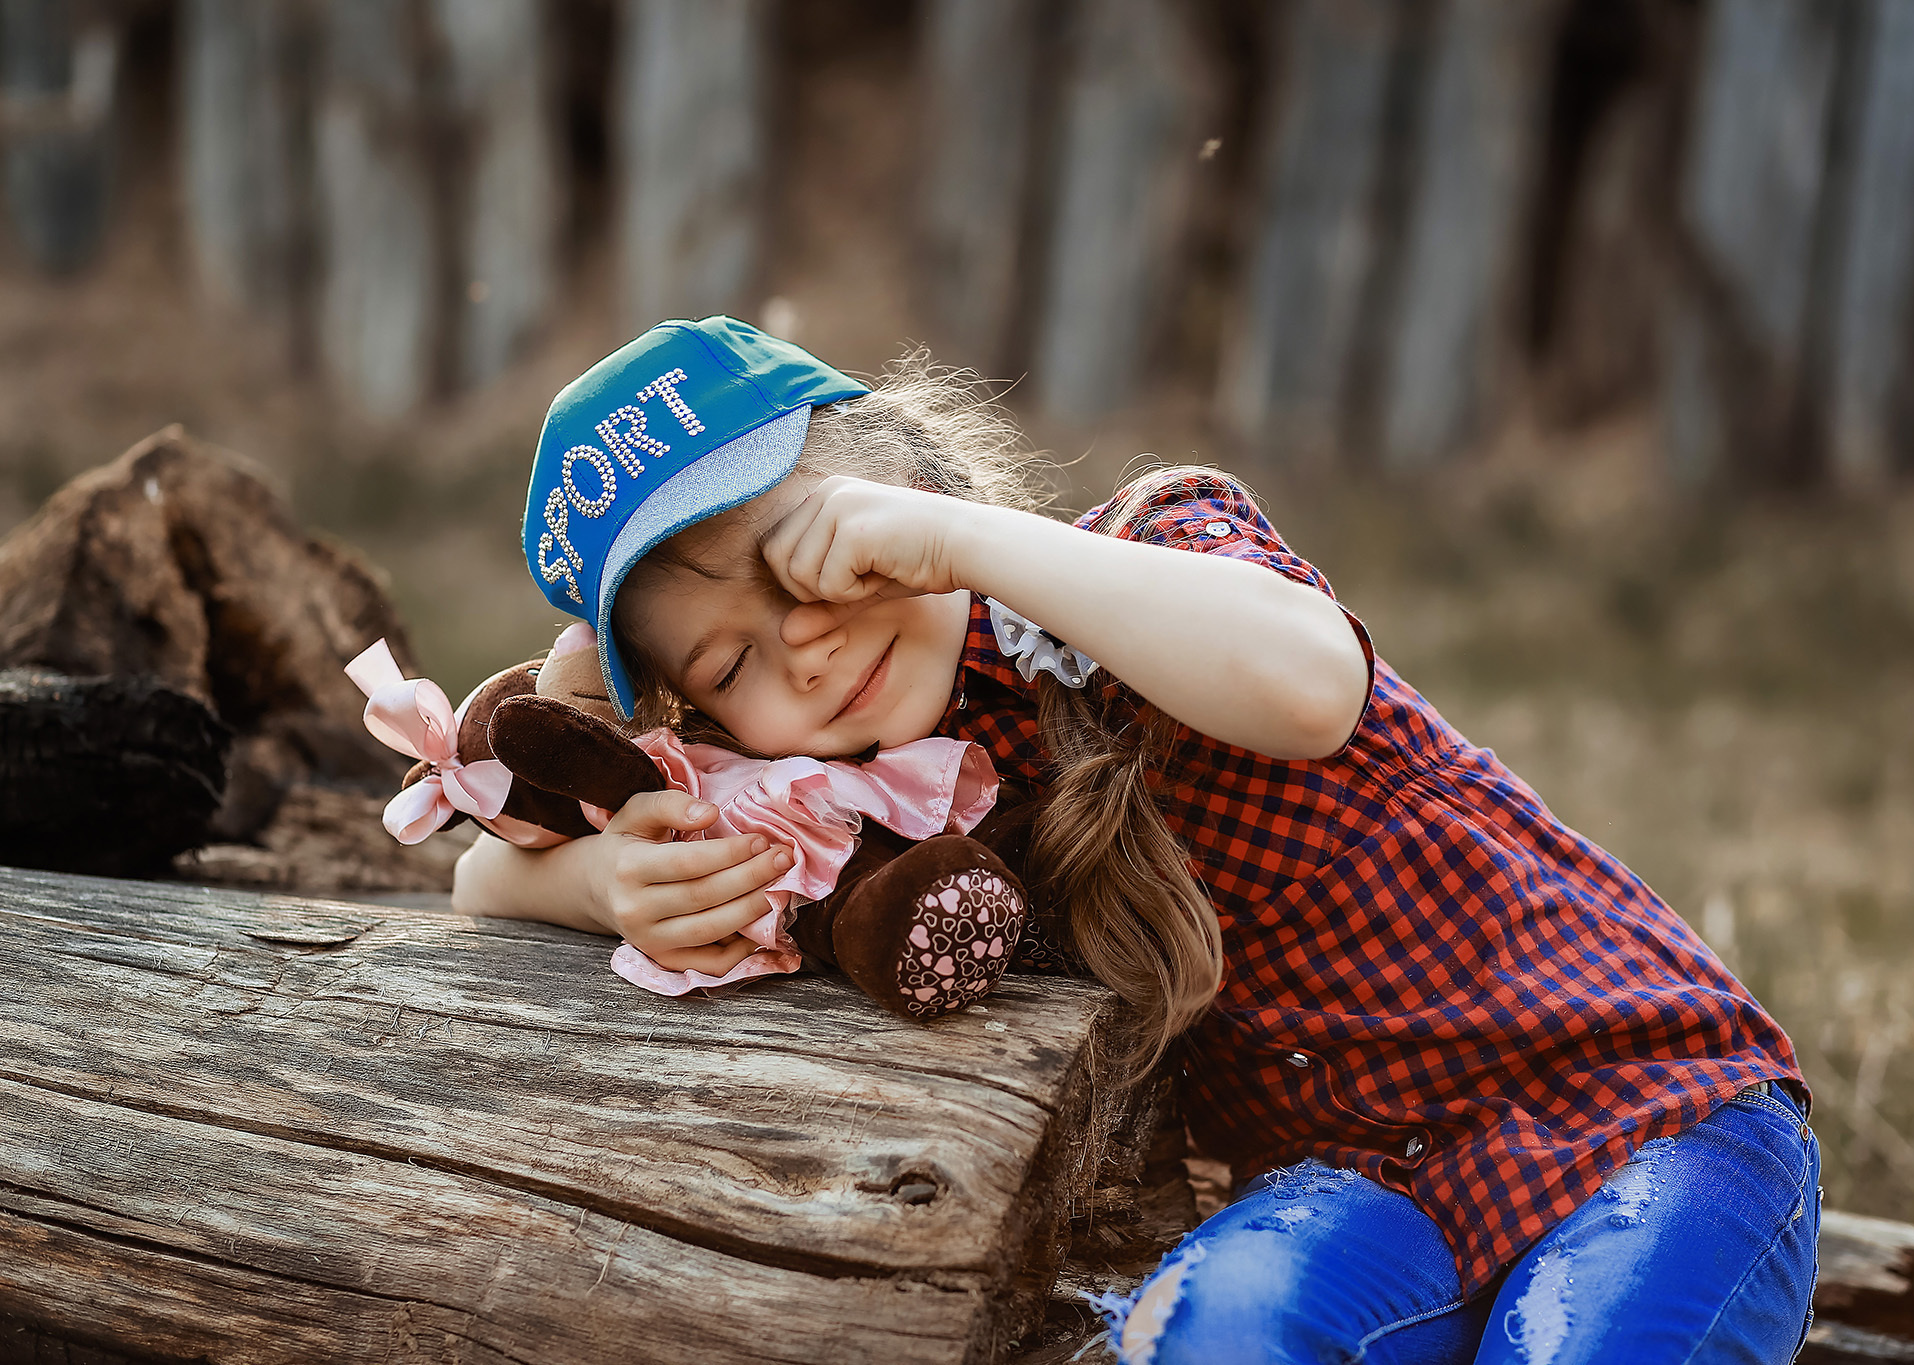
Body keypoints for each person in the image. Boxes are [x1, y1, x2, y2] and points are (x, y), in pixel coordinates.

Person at [454, 317, 1820, 1365]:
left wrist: (951, 541)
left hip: (1645, 1110)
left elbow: (1306, 687)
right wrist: (595, 879)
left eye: (810, 558)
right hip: (1365, 1190)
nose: (802, 650)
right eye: (733, 657)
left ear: (905, 473)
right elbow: (475, 873)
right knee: (1208, 1325)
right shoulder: (870, 799)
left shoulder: (1146, 552)